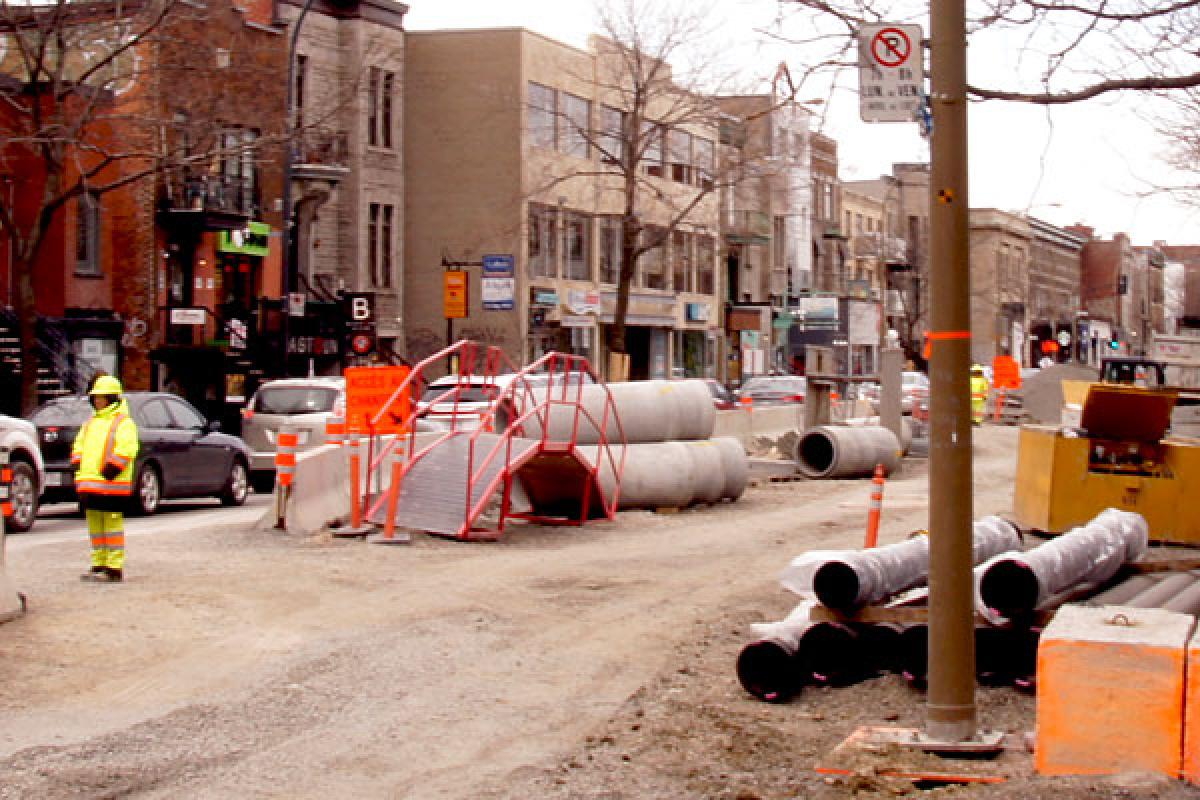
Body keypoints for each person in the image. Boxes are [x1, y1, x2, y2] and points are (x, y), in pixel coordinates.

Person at [72, 375, 139, 583]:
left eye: (101, 397)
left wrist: (112, 469)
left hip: (112, 484)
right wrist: (77, 463)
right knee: (96, 527)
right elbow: (79, 446)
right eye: (96, 397)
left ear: (111, 398)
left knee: (111, 526)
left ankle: (114, 567)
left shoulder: (123, 422)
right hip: (90, 482)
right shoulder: (90, 423)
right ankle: (99, 563)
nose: (98, 401)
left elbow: (127, 448)